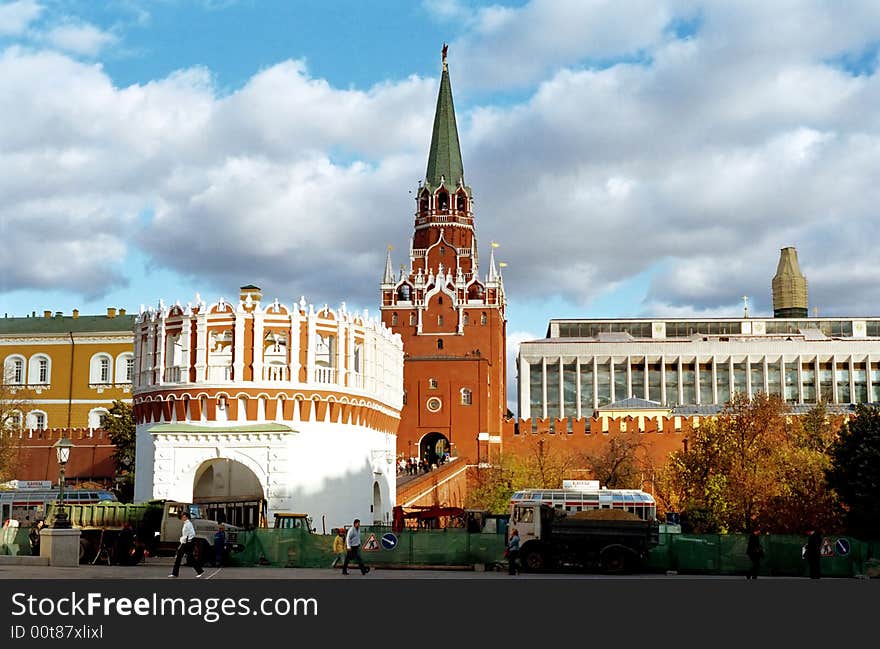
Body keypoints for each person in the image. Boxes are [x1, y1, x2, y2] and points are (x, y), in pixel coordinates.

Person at [168, 511, 204, 578]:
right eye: (182, 516)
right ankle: (200, 571)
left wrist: (187, 541)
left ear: (186, 517)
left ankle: (175, 573)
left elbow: (192, 533)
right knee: (189, 558)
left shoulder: (188, 524)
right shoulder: (186, 523)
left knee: (180, 557)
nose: (182, 517)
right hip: (186, 542)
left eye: (183, 516)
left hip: (187, 543)